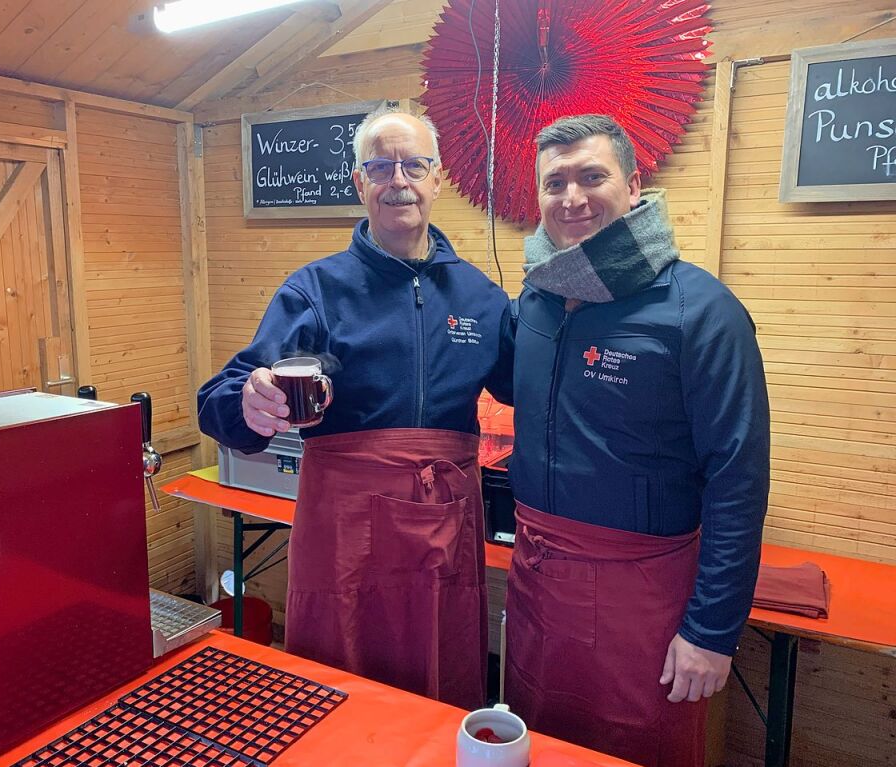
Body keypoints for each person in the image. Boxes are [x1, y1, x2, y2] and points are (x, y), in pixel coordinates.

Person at [197, 105, 514, 710]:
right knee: (340, 683)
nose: (399, 179)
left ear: (437, 179)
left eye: (414, 165)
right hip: (345, 524)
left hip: (448, 515)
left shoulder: (480, 295)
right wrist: (251, 402)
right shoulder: (315, 290)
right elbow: (221, 399)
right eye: (381, 166)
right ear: (358, 181)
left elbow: (531, 386)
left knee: (441, 671)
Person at [504, 114, 770, 767]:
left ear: (633, 184)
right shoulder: (535, 300)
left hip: (643, 601)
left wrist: (712, 631)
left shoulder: (701, 311)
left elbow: (738, 479)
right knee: (538, 738)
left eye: (592, 176)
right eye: (554, 182)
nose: (572, 197)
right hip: (536, 584)